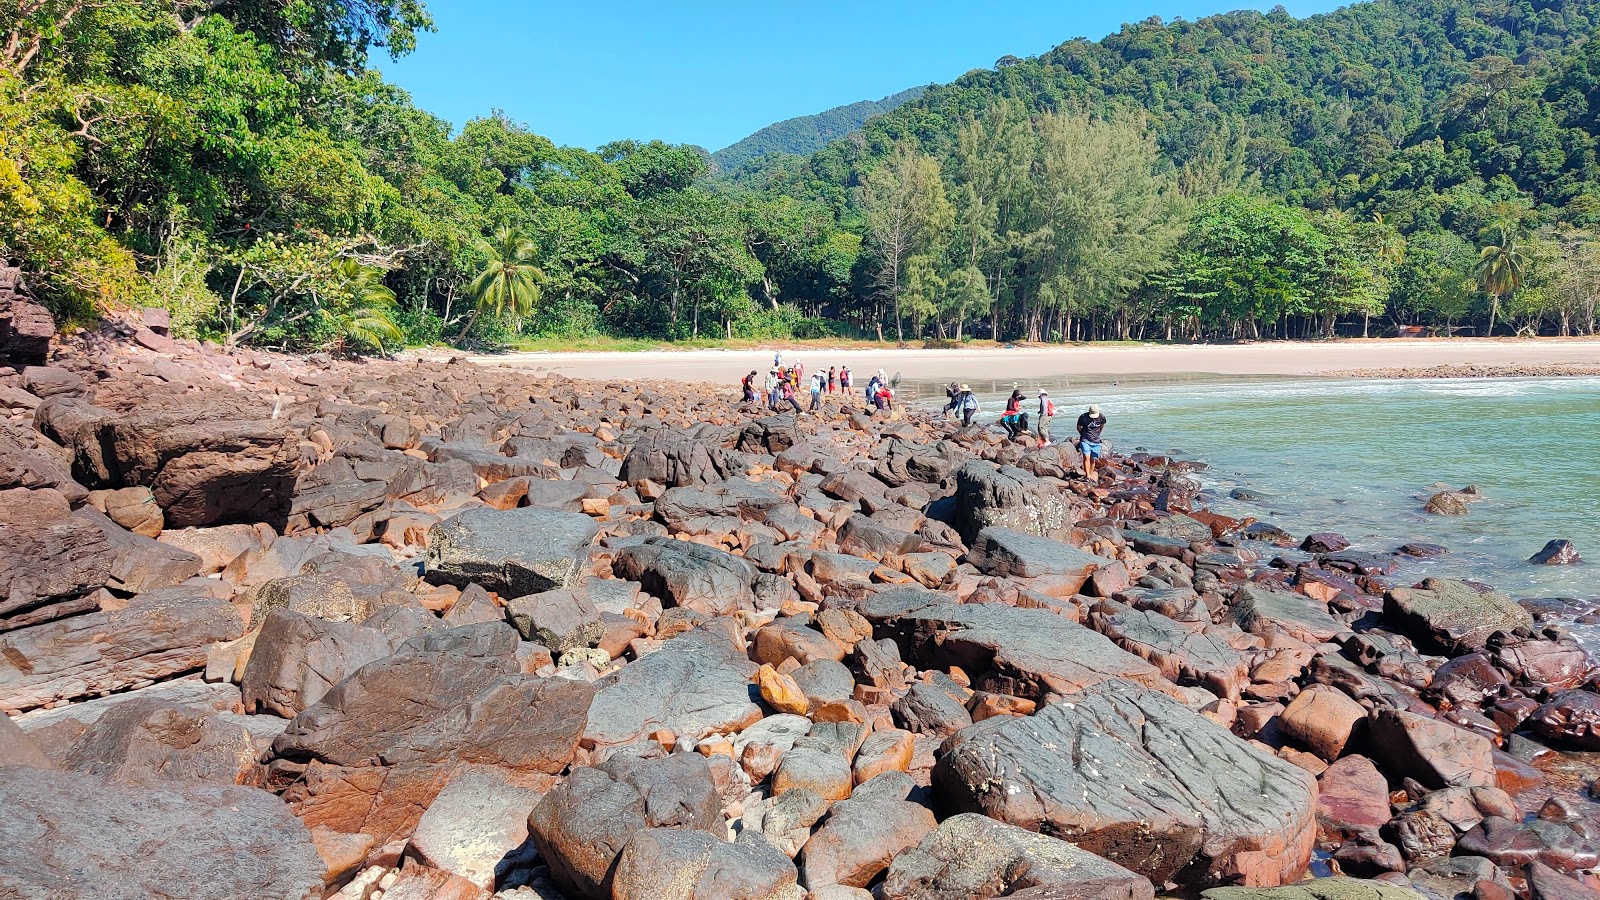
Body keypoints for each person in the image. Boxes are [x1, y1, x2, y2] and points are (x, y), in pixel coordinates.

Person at [1076, 403, 1109, 481]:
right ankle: (1087, 475)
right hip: (1085, 440)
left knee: (1092, 459)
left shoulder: (1102, 417)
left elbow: (1101, 427)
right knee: (1086, 457)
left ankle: (1090, 474)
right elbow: (1078, 427)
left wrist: (1097, 435)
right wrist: (1083, 435)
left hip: (1096, 441)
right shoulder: (1083, 417)